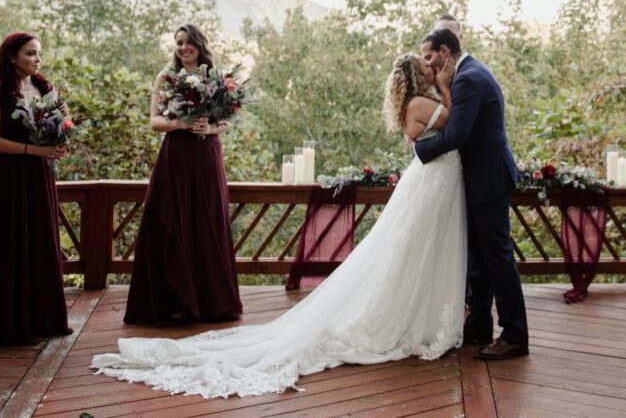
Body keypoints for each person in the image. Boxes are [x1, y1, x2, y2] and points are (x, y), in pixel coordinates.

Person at [92, 52, 467, 397]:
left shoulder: (416, 102)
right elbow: (457, 126)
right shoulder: (424, 102)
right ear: (417, 76)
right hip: (432, 180)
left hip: (433, 181)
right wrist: (447, 87)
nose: (432, 68)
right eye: (426, 66)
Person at [415, 28, 529, 360]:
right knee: (478, 257)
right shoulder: (468, 71)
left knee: (497, 257)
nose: (427, 63)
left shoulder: (467, 79)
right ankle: (480, 323)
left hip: (489, 179)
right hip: (483, 177)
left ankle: (515, 335)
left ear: (445, 51)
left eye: (429, 56)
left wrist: (419, 151)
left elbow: (455, 135)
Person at [123, 24, 243, 325]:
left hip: (205, 156)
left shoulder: (218, 78)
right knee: (171, 218)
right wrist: (180, 124)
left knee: (204, 221)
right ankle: (170, 301)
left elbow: (228, 121)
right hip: (176, 155)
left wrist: (210, 128)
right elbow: (154, 121)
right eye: (178, 42)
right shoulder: (166, 77)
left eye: (188, 42)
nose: (183, 47)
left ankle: (209, 301)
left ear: (200, 45)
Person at [0, 32, 71, 350]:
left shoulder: (45, 88)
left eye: (39, 54)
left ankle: (38, 317)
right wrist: (32, 151)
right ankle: (2, 321)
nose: (38, 59)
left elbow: (59, 127)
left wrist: (57, 144)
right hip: (7, 178)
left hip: (38, 178)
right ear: (11, 56)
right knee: (6, 241)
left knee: (37, 239)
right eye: (31, 53)